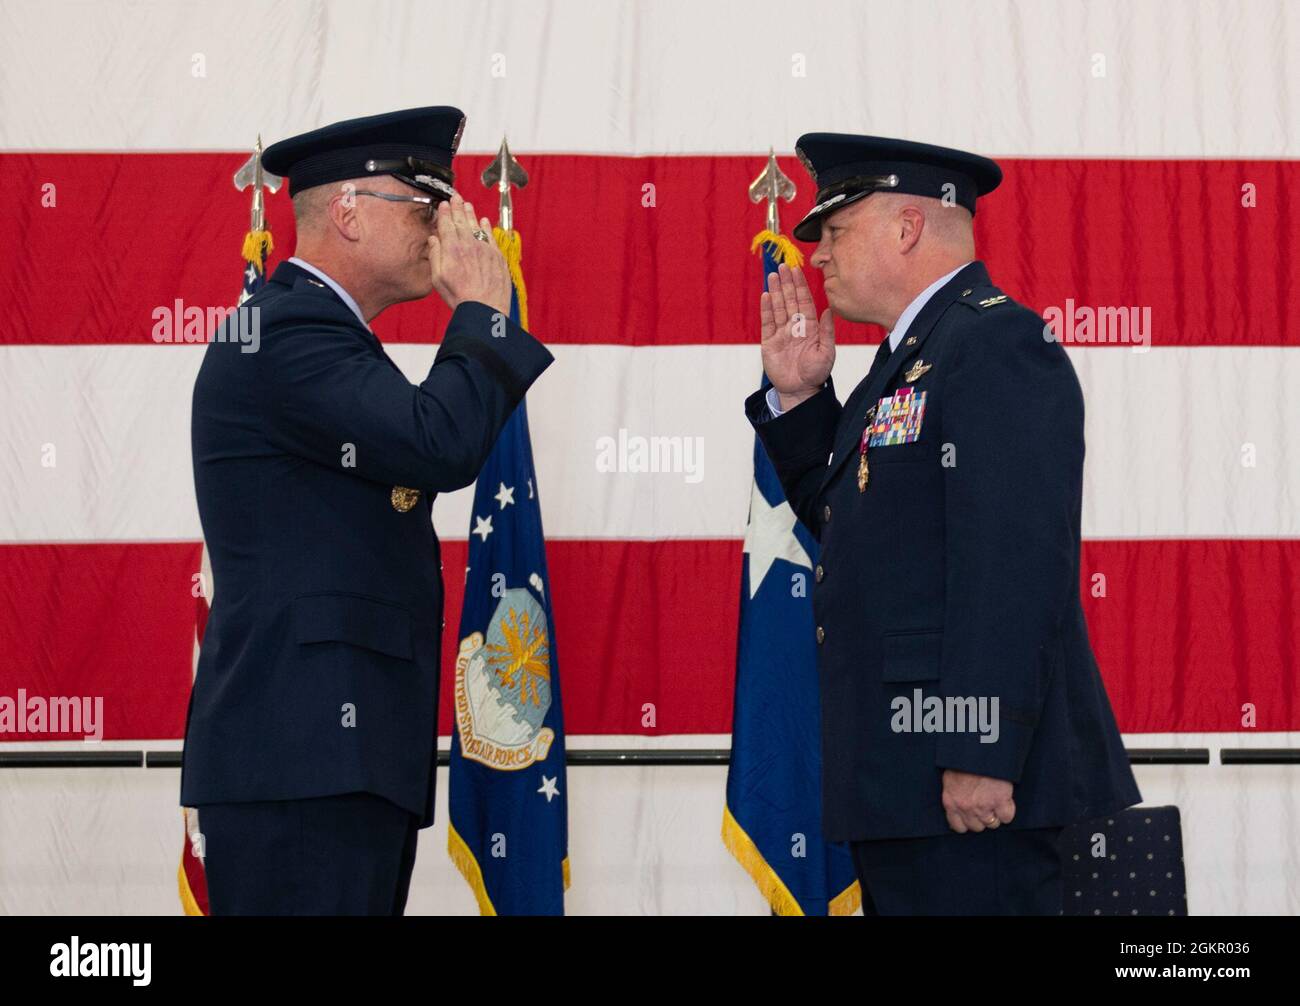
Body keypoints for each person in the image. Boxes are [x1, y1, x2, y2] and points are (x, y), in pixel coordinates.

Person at [747, 133, 1141, 915]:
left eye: (833, 229)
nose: (816, 257)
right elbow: (851, 532)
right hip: (909, 781)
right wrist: (799, 401)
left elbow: (1013, 564)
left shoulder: (994, 343)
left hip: (979, 793)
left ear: (906, 227)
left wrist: (980, 749)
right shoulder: (908, 359)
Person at [181, 106, 554, 915]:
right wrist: (484, 314)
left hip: (334, 760)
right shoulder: (286, 332)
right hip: (302, 758)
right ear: (346, 212)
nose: (442, 228)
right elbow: (436, 442)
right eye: (423, 207)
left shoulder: (324, 337)